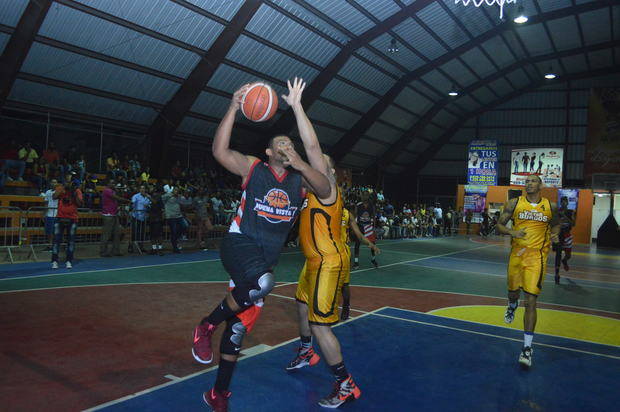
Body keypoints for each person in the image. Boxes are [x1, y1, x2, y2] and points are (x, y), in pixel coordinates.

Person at [191, 79, 331, 411]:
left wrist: (297, 111)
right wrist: (233, 107)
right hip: (239, 245)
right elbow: (219, 152)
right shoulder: (254, 168)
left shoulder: (301, 181)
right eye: (279, 142)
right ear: (269, 152)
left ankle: (219, 394)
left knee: (238, 330)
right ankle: (206, 324)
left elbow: (325, 186)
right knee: (263, 282)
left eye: (289, 143)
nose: (286, 145)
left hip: (261, 263)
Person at [496, 175, 560, 368]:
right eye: (527, 182)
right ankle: (511, 304)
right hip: (517, 255)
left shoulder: (551, 206)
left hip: (537, 258)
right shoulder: (514, 203)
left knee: (531, 300)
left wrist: (555, 233)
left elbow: (556, 223)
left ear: (540, 185)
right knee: (513, 293)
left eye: (533, 181)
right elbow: (499, 225)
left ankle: (527, 349)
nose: (529, 184)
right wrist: (511, 232)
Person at [339, 204, 380, 321]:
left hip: (342, 250)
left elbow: (360, 235)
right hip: (328, 250)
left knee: (344, 284)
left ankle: (346, 306)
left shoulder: (347, 214)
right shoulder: (328, 209)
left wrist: (371, 244)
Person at [51, 178, 83, 269]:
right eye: (67, 181)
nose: (68, 183)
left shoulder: (77, 191)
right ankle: (54, 261)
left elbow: (80, 204)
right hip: (60, 218)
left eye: (70, 181)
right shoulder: (60, 188)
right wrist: (62, 189)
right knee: (56, 241)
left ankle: (69, 260)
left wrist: (74, 193)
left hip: (72, 219)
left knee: (71, 241)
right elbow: (54, 197)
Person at [100, 179, 129, 257]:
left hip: (114, 214)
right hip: (108, 215)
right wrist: (127, 200)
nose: (114, 184)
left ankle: (116, 250)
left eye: (114, 183)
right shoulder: (107, 190)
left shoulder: (112, 191)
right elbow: (117, 198)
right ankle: (103, 251)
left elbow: (118, 199)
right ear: (108, 183)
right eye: (112, 183)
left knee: (117, 233)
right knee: (106, 234)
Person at [353, 192, 378, 269]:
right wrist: (354, 227)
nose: (365, 196)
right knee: (357, 244)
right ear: (362, 196)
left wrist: (373, 228)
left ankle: (373, 259)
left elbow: (373, 217)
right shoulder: (358, 205)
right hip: (360, 226)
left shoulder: (371, 206)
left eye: (366, 195)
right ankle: (356, 262)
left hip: (368, 227)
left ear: (368, 196)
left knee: (372, 244)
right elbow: (354, 216)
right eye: (364, 195)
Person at [554, 196, 575, 284]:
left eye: (565, 201)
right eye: (562, 201)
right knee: (558, 255)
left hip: (567, 235)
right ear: (560, 203)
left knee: (568, 255)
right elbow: (553, 223)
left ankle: (565, 260)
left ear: (567, 203)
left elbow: (573, 224)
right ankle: (557, 274)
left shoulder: (571, 212)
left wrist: (564, 216)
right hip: (559, 235)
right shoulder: (556, 211)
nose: (563, 203)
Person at [129, 185, 151, 253]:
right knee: (134, 232)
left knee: (142, 233)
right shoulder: (136, 196)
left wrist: (148, 206)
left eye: (143, 188)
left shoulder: (148, 197)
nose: (142, 189)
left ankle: (141, 247)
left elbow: (150, 205)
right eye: (141, 188)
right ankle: (131, 247)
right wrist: (132, 205)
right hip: (136, 216)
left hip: (143, 217)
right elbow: (132, 203)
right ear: (139, 189)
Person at [162, 187, 184, 253]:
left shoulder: (179, 197)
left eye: (177, 190)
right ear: (173, 190)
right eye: (175, 190)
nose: (176, 191)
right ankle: (175, 247)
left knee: (185, 226)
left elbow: (181, 204)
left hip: (179, 215)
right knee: (173, 231)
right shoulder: (168, 195)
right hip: (171, 216)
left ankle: (176, 239)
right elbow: (162, 199)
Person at [40, 179, 59, 251]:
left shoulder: (59, 192)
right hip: (49, 214)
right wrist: (44, 214)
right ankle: (50, 245)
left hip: (56, 214)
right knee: (48, 231)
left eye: (55, 182)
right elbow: (46, 203)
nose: (53, 183)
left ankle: (55, 245)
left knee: (55, 231)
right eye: (52, 182)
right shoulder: (48, 192)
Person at [147, 186, 165, 256]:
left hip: (158, 218)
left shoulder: (157, 195)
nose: (149, 189)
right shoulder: (152, 196)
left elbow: (154, 202)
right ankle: (154, 249)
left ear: (154, 189)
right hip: (152, 218)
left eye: (151, 188)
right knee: (152, 235)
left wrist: (148, 196)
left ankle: (160, 249)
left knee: (159, 234)